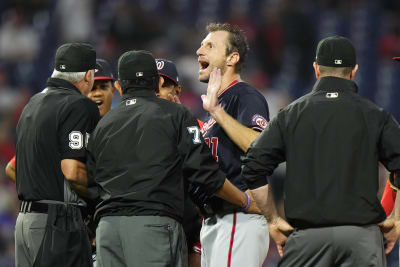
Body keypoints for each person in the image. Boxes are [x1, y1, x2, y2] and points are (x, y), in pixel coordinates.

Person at [87, 50, 260, 267]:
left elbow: (90, 182)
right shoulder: (176, 114)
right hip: (153, 225)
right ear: (156, 82)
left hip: (108, 229)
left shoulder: (102, 124)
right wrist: (245, 201)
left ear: (120, 86)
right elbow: (205, 172)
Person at [242, 35, 400, 267]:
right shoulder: (375, 115)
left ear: (316, 69)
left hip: (307, 239)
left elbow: (253, 164)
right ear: (353, 71)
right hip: (361, 239)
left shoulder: (291, 114)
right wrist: (396, 219)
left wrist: (273, 220)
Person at [15, 43, 99, 267]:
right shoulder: (78, 105)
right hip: (57, 222)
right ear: (88, 76)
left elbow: (12, 168)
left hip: (25, 222)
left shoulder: (32, 104)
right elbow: (73, 172)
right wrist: (101, 196)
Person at [196, 22, 270, 267]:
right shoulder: (216, 103)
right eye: (201, 44)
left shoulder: (245, 95)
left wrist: (217, 112)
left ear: (232, 58)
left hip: (239, 218)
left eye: (210, 45)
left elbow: (259, 145)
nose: (199, 50)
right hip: (217, 220)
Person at [6, 59, 116, 184]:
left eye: (103, 87)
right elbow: (13, 169)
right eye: (92, 88)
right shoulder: (65, 125)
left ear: (113, 90)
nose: (97, 94)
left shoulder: (123, 127)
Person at [156, 58, 202, 267]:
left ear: (177, 90)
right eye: (153, 84)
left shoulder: (197, 126)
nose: (158, 91)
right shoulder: (130, 126)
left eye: (165, 85)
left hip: (187, 228)